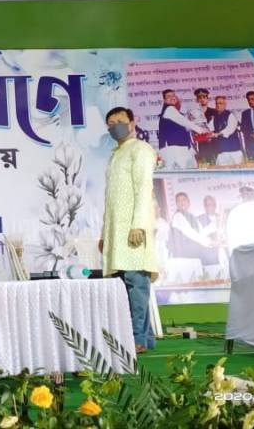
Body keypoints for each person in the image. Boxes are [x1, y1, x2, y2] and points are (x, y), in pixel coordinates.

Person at [98, 107, 158, 353]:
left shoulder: (140, 149)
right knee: (124, 284)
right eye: (111, 123)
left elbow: (143, 188)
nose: (116, 126)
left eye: (120, 121)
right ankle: (145, 338)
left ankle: (137, 339)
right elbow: (110, 199)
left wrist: (138, 225)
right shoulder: (115, 154)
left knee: (136, 283)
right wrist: (104, 233)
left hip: (133, 229)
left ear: (132, 123)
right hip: (116, 231)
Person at [157, 89, 208, 170]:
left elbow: (185, 126)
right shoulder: (169, 109)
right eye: (168, 96)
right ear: (164, 100)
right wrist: (202, 130)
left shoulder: (173, 111)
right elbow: (185, 123)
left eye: (173, 95)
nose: (172, 97)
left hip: (179, 149)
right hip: (174, 150)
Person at [169, 193, 220, 266]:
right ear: (176, 204)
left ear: (188, 202)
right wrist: (210, 242)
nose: (181, 202)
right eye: (178, 201)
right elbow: (192, 234)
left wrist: (217, 223)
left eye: (184, 200)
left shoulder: (191, 217)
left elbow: (202, 232)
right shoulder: (178, 216)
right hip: (184, 259)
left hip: (194, 257)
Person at [209, 96, 245, 166]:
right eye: (216, 103)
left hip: (234, 151)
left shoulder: (231, 115)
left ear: (225, 105)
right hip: (222, 151)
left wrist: (217, 134)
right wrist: (204, 132)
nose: (218, 105)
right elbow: (209, 128)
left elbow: (229, 129)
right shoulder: (215, 118)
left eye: (220, 103)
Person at [188, 88, 220, 165]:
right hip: (201, 144)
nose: (202, 99)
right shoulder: (193, 113)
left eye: (204, 97)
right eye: (199, 97)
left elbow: (218, 128)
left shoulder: (214, 112)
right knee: (204, 164)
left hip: (213, 143)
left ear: (207, 99)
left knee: (215, 164)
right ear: (197, 100)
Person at [239, 91, 254, 160]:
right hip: (251, 143)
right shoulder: (245, 113)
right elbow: (243, 128)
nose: (250, 101)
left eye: (252, 99)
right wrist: (252, 135)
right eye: (248, 100)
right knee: (252, 161)